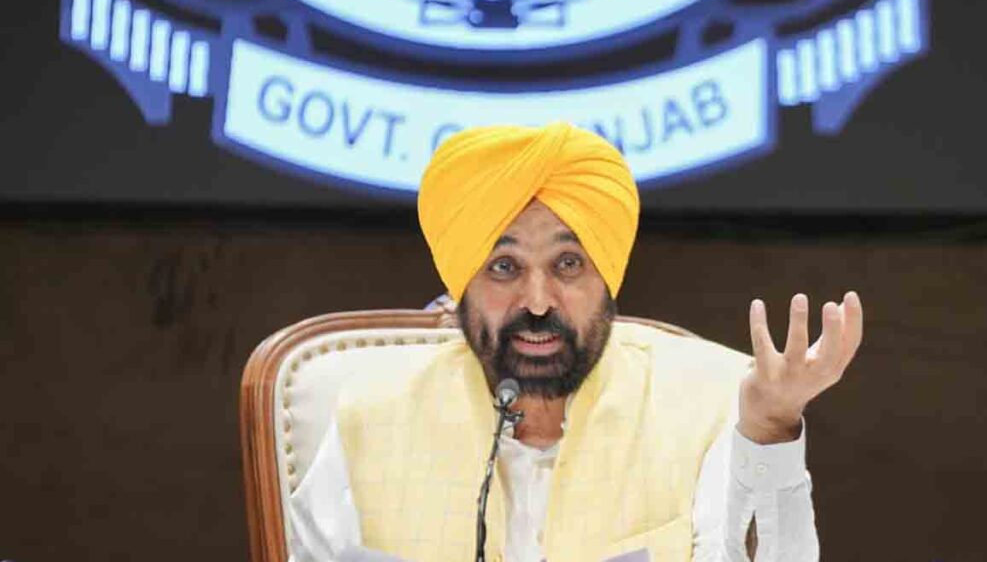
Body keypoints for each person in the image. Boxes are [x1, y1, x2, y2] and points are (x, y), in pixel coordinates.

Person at [288, 122, 863, 562]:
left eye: (567, 264)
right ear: (460, 288)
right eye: (504, 267)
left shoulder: (712, 403)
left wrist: (770, 428)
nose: (538, 302)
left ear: (607, 279)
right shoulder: (372, 417)